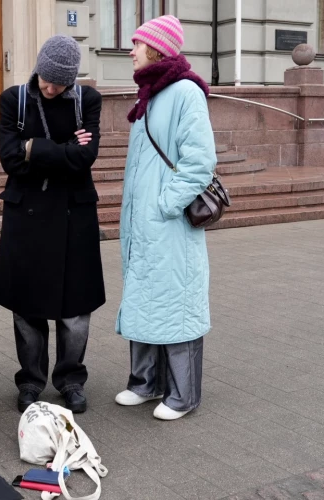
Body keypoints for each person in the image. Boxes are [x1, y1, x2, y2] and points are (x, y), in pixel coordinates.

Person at [0, 34, 105, 414]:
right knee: (28, 307)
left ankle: (71, 380)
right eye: (46, 79)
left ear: (72, 79)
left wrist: (33, 147)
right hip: (27, 214)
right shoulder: (14, 100)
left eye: (60, 82)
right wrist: (64, 150)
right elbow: (10, 159)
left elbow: (86, 157)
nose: (51, 87)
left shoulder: (87, 100)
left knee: (76, 309)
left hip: (75, 213)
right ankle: (30, 381)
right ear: (38, 68)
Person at [114, 16, 215, 421]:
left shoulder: (185, 93)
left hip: (168, 225)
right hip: (143, 225)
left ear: (157, 48)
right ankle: (145, 383)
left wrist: (164, 206)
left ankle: (182, 394)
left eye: (137, 43)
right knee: (144, 300)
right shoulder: (151, 93)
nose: (131, 50)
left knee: (176, 304)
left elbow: (199, 162)